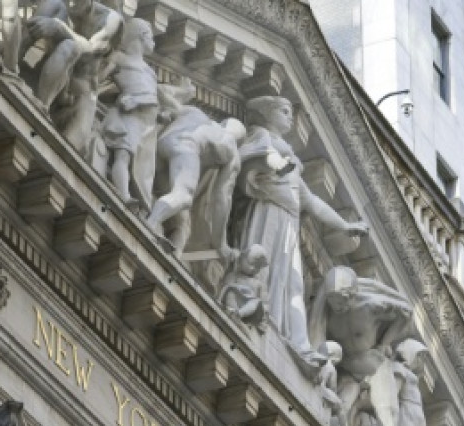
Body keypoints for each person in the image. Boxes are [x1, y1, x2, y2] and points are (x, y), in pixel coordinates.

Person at [234, 96, 368, 364]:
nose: (289, 117)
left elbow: (314, 203)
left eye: (290, 111)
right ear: (268, 114)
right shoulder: (262, 136)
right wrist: (277, 164)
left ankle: (300, 343)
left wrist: (346, 226)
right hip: (268, 212)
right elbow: (250, 157)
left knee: (294, 281)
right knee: (264, 267)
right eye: (284, 110)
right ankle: (257, 310)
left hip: (289, 224)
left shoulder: (292, 162)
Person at [145, 106, 246, 254]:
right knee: (184, 196)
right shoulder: (231, 147)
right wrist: (220, 245)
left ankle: (175, 256)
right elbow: (222, 199)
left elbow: (168, 110)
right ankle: (150, 224)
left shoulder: (195, 113)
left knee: (183, 221)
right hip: (185, 150)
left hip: (160, 145)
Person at [28, 0, 123, 155]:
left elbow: (91, 48)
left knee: (66, 157)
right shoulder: (57, 6)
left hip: (79, 99)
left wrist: (58, 27)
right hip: (45, 85)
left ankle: (40, 110)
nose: (71, 3)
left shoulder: (109, 18)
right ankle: (41, 107)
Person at [99, 18, 159, 207]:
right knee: (122, 155)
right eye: (152, 37)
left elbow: (152, 97)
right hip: (127, 115)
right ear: (142, 36)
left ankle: (133, 194)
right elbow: (97, 77)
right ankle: (123, 195)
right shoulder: (119, 58)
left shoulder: (150, 71)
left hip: (145, 123)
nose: (154, 43)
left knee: (137, 162)